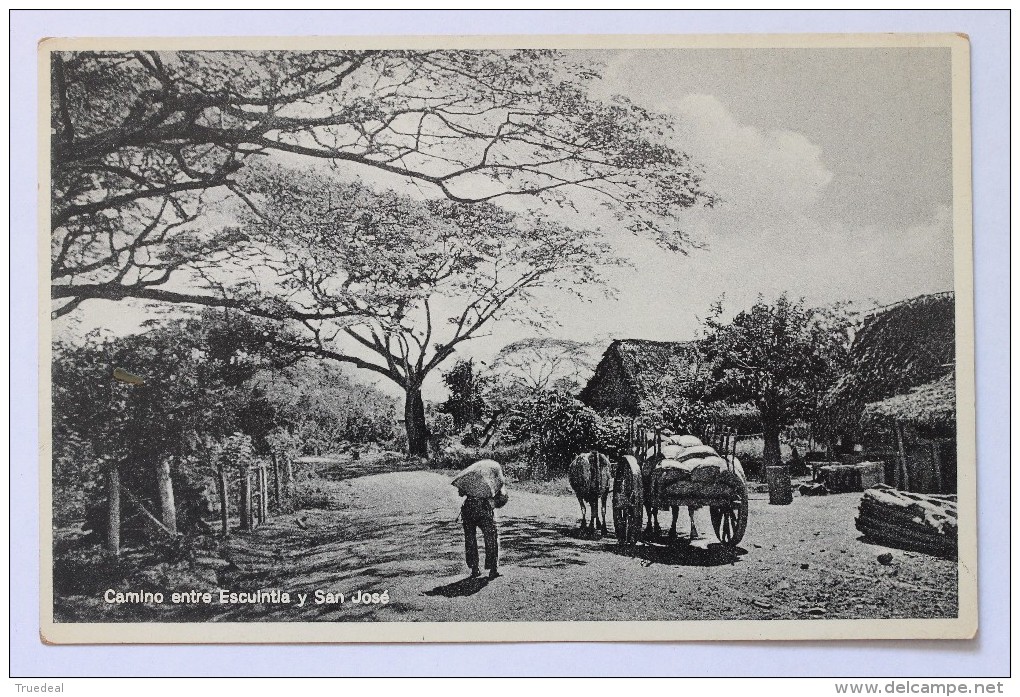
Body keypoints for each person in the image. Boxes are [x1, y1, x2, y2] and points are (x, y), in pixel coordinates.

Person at [452, 459, 506, 580]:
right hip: (484, 509)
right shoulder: (494, 480)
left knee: (470, 539)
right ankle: (493, 569)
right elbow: (503, 497)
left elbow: (460, 493)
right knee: (491, 536)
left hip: (468, 509)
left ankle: (474, 568)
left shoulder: (470, 478)